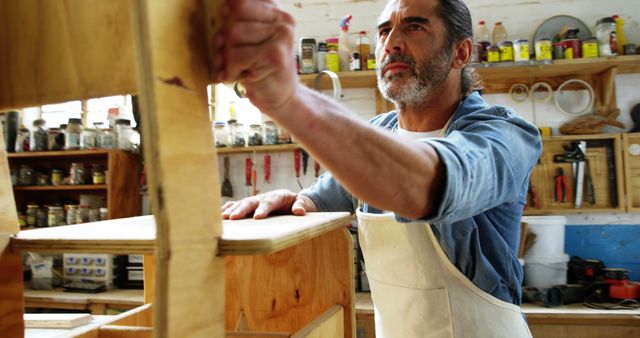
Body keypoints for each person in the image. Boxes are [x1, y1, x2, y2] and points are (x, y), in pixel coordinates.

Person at [215, 0, 540, 336]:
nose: (392, 43)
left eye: (414, 27)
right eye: (384, 31)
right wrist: (291, 202)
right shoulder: (379, 134)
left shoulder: (505, 135)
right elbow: (319, 199)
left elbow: (422, 185)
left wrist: (288, 99)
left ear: (460, 52)